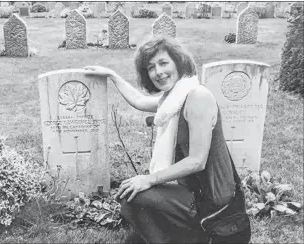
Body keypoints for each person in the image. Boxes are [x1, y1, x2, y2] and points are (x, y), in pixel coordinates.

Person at [83, 36, 251, 244]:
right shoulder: (174, 98)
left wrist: (149, 179)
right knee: (130, 196)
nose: (158, 72)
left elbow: (197, 160)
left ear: (178, 62)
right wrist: (112, 75)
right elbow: (139, 101)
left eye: (163, 63)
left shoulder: (197, 97)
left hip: (214, 196)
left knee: (135, 195)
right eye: (151, 67)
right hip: (194, 190)